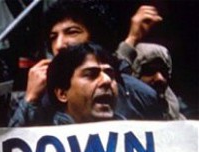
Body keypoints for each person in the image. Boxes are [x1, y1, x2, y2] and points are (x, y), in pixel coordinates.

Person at [9, 0, 164, 127]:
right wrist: (30, 101)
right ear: (61, 94)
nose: (59, 45)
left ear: (95, 36)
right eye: (53, 37)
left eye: (72, 32)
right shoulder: (38, 97)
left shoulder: (140, 95)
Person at [47, 42, 122, 124]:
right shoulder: (41, 131)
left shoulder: (131, 128)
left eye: (110, 75)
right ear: (62, 94)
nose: (107, 80)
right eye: (91, 75)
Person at [128, 43, 188, 120]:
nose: (160, 78)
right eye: (150, 71)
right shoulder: (120, 118)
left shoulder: (179, 121)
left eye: (164, 71)